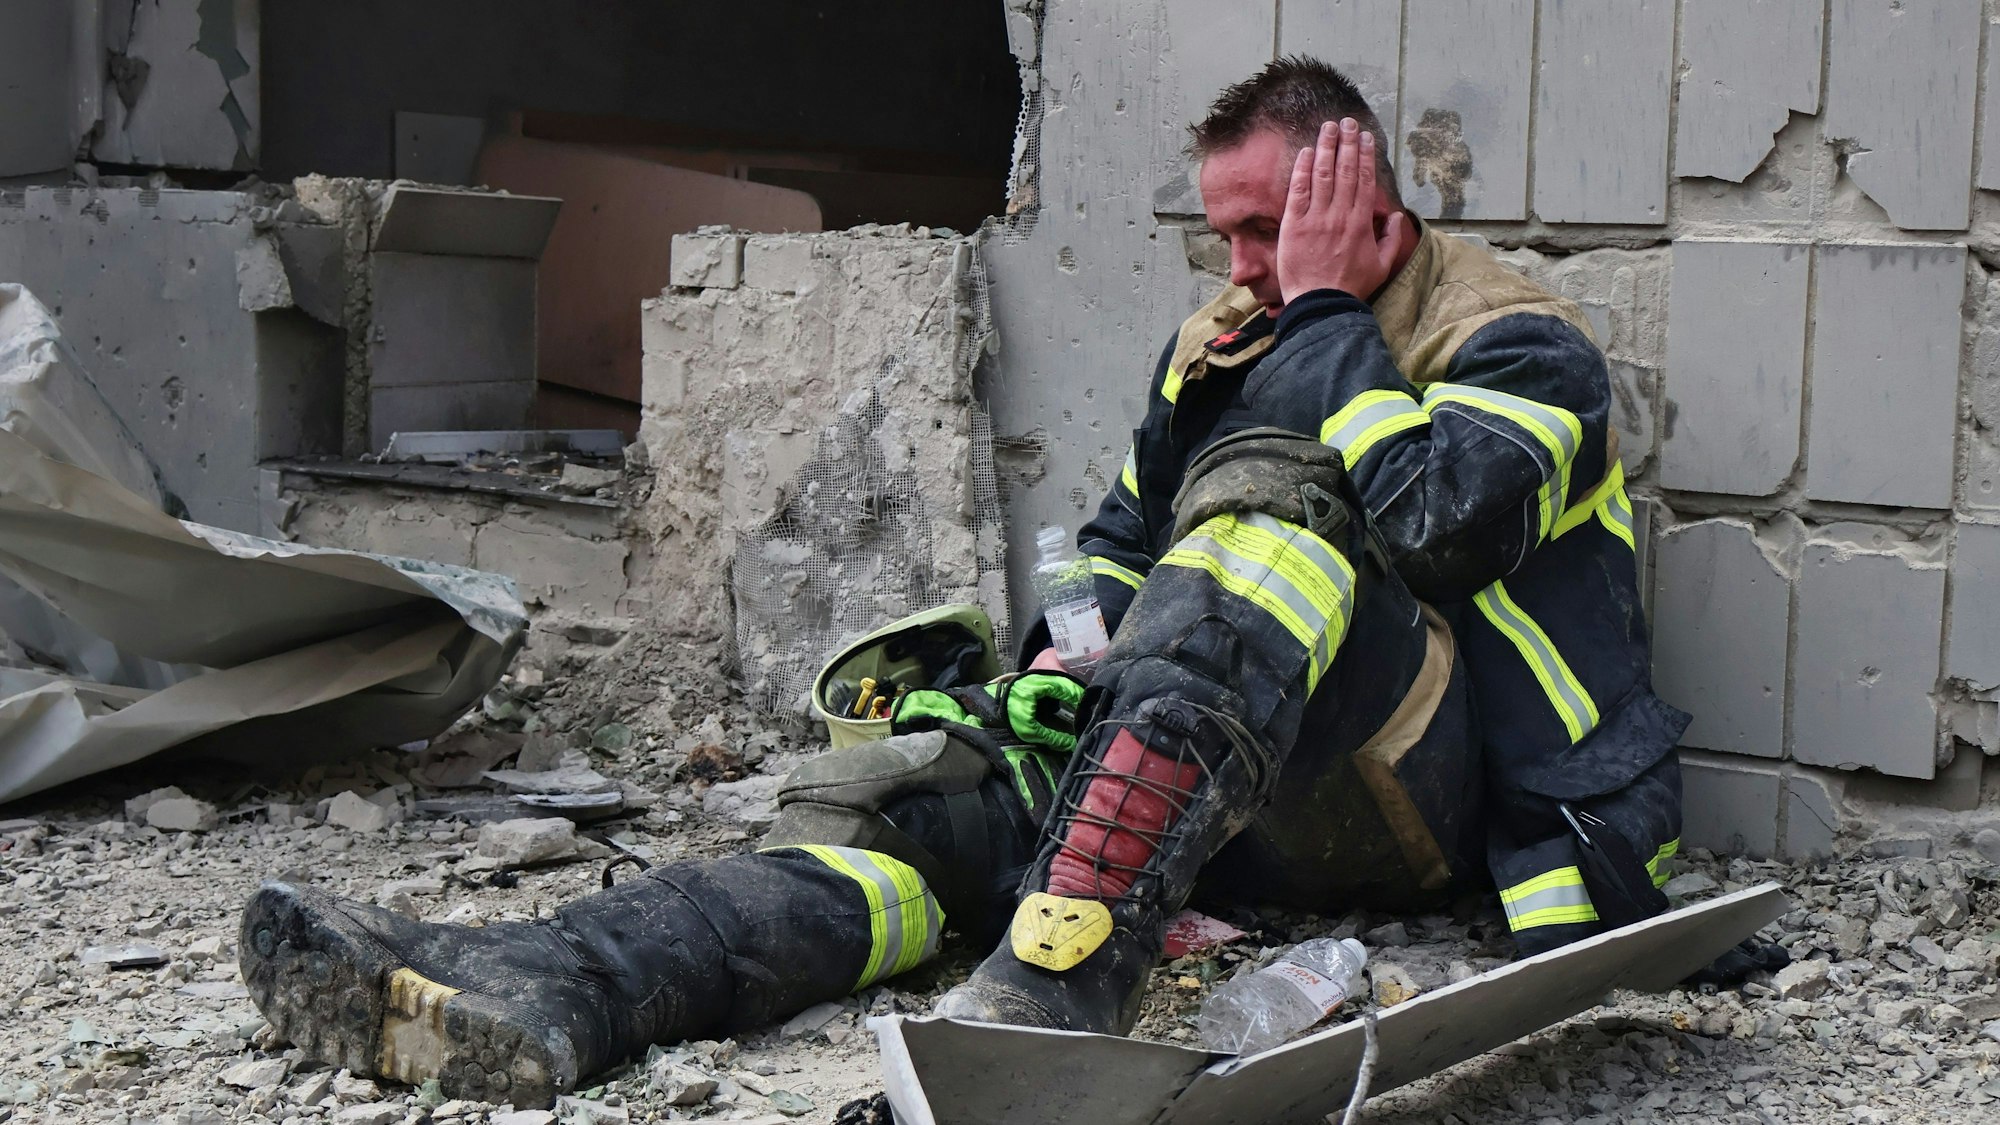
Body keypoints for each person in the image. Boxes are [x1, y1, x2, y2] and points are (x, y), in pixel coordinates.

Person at [236, 58, 1722, 1107]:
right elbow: (1119, 547)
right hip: (1231, 774)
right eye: (1227, 233)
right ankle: (566, 979)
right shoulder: (1224, 343)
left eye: (1275, 228)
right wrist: (1068, 655)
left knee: (1275, 508)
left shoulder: (1514, 342)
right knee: (920, 803)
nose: (1244, 267)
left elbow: (1441, 524)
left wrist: (1330, 313)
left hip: (1441, 792)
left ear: (1370, 207)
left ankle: (1062, 969)